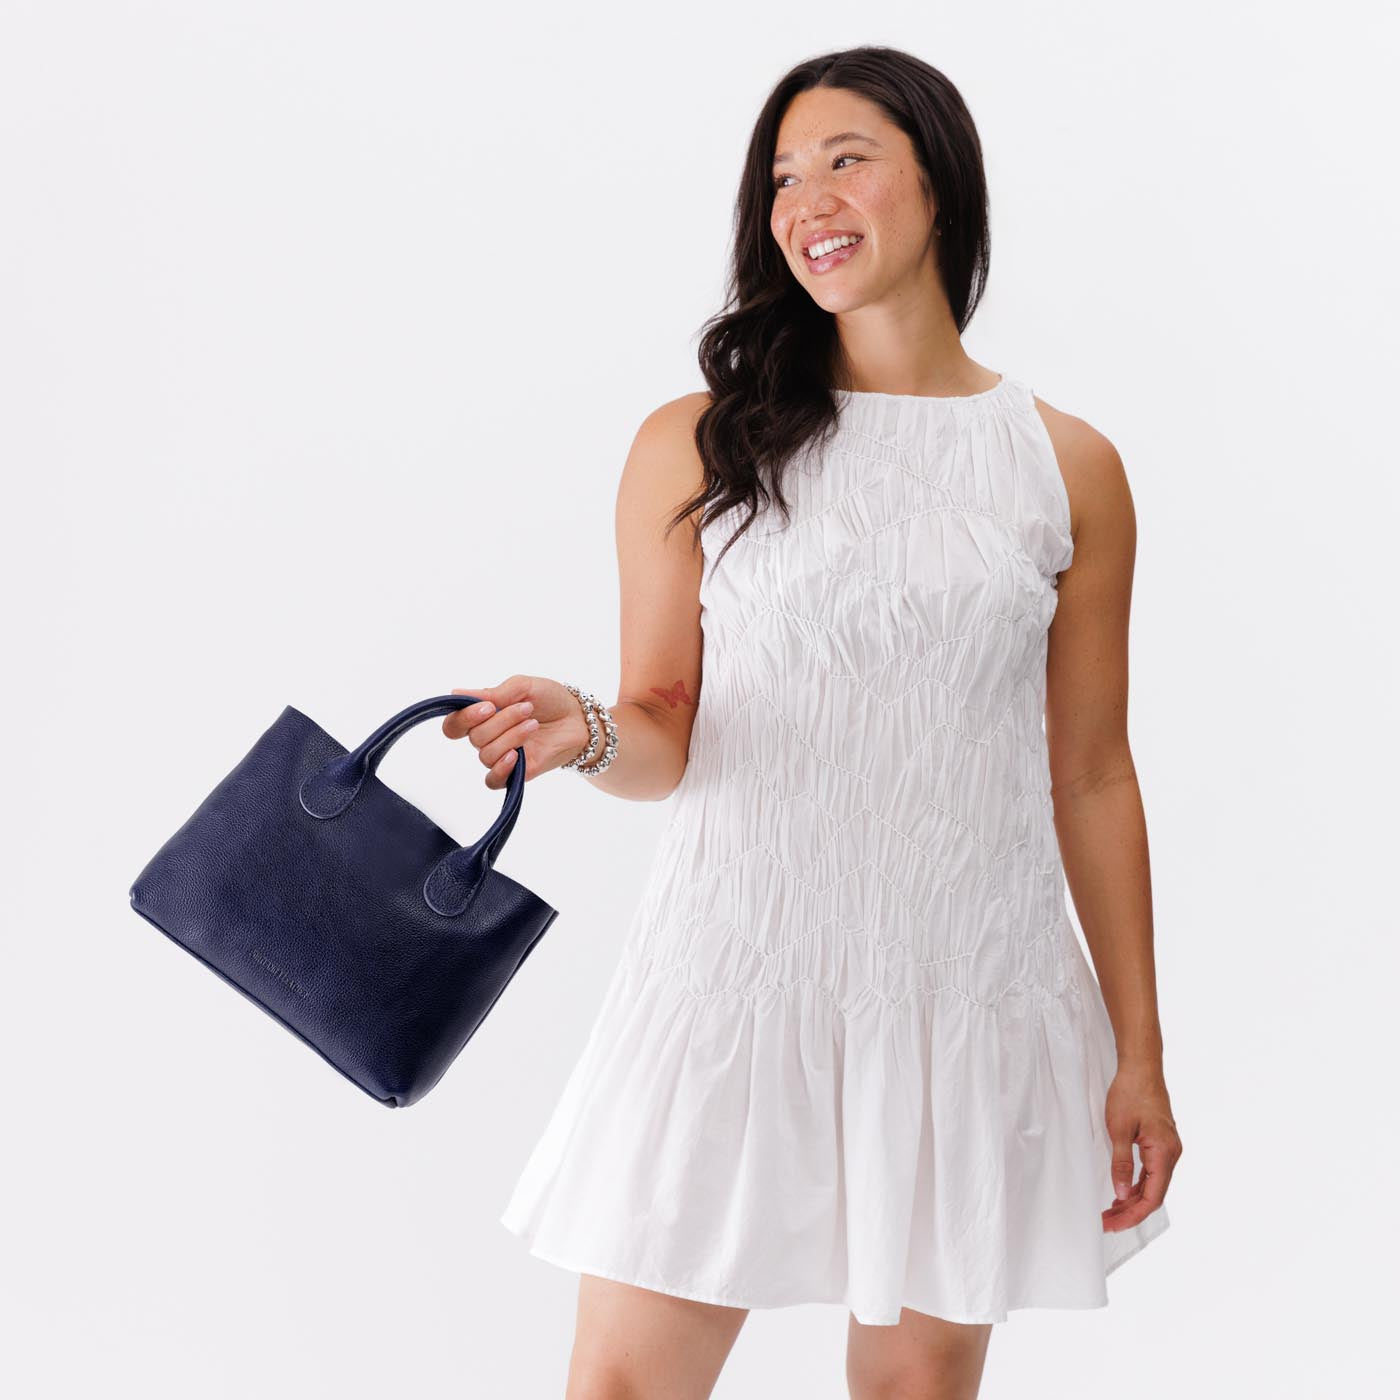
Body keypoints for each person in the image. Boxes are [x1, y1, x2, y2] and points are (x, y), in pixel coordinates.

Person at [445, 44, 1181, 1400]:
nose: (807, 202)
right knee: (623, 1386)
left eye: (847, 160)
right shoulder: (702, 440)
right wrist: (583, 729)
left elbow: (1091, 774)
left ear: (940, 185)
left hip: (968, 989)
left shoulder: (1067, 465)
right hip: (735, 977)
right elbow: (665, 725)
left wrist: (1141, 1051)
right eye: (784, 177)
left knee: (913, 1393)